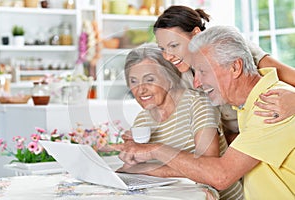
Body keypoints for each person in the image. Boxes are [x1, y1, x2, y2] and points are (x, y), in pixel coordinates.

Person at [113, 26, 295, 199]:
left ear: (235, 67)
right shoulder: (249, 102)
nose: (196, 83)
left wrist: (154, 150)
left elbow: (221, 176)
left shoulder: (271, 103)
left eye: (203, 71)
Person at [153, 5, 295, 144]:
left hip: (269, 131)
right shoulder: (181, 79)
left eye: (174, 46)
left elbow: (290, 77)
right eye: (162, 49)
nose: (168, 56)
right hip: (238, 143)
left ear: (196, 33)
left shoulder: (231, 48)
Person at [121, 43, 243, 200]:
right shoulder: (142, 119)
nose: (141, 90)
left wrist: (147, 168)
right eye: (133, 81)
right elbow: (140, 169)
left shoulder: (197, 103)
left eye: (149, 79)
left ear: (170, 77)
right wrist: (131, 158)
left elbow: (208, 170)